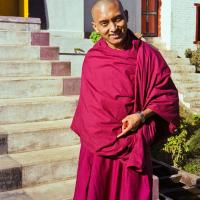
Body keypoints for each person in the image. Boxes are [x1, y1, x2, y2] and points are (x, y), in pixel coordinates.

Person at [70, 0, 180, 199]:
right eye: (104, 23)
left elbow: (167, 95)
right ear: (95, 27)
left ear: (126, 16)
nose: (113, 28)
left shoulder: (148, 56)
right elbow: (89, 108)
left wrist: (142, 116)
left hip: (132, 147)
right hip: (97, 149)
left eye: (118, 19)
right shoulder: (93, 59)